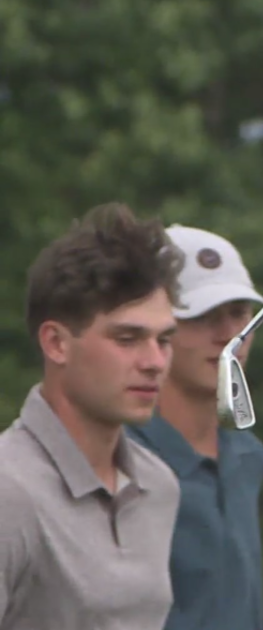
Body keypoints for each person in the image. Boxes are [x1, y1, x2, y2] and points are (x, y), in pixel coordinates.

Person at [0, 202, 184, 629]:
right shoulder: (10, 491)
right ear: (56, 343)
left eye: (165, 340)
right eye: (128, 338)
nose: (155, 362)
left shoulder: (159, 487)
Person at [126, 224, 263, 630]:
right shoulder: (117, 458)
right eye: (203, 317)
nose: (229, 336)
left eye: (240, 313)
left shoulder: (248, 455)